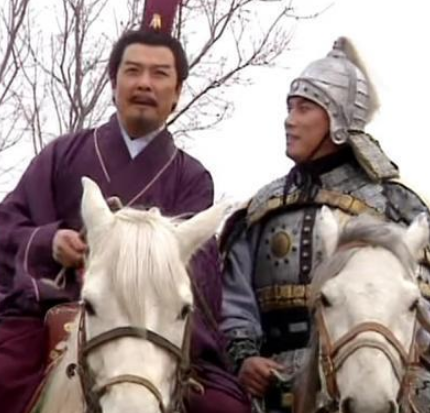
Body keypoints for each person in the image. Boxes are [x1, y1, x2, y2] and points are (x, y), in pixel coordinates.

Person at [0, 1, 251, 412]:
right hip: (52, 314)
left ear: (178, 92)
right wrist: (49, 242)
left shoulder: (191, 177)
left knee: (225, 407)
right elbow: (8, 225)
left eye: (160, 74)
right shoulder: (62, 154)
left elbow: (200, 272)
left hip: (153, 325)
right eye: (132, 71)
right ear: (113, 81)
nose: (144, 83)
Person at [220, 37, 430, 413]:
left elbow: (420, 307)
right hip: (268, 390)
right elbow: (233, 298)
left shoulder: (396, 206)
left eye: (304, 108)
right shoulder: (261, 207)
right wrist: (244, 358)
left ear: (337, 121)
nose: (290, 120)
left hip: (374, 382)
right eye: (289, 107)